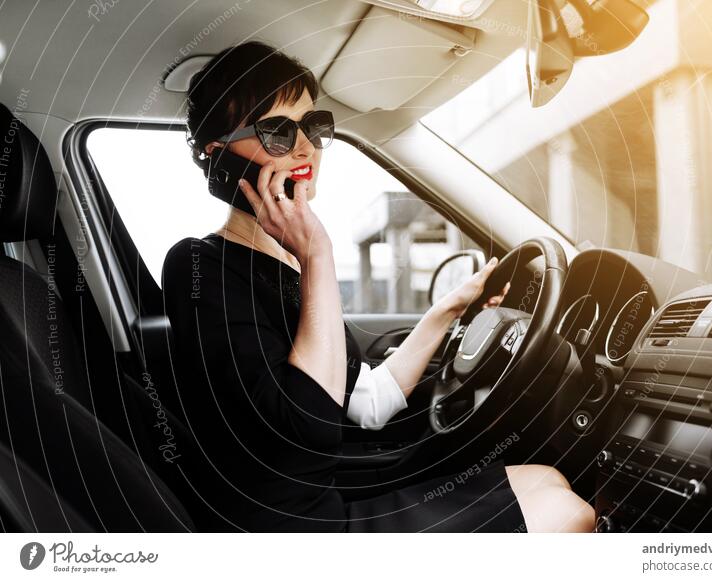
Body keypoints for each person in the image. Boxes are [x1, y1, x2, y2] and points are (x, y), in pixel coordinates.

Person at [162, 41, 595, 532]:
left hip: (325, 502)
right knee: (568, 514)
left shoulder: (288, 264)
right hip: (292, 530)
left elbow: (366, 402)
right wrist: (318, 255)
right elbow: (307, 427)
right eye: (278, 132)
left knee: (547, 479)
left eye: (314, 126)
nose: (305, 146)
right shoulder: (198, 266)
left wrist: (448, 311)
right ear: (219, 159)